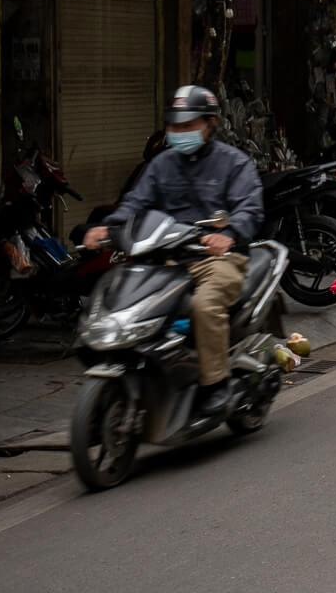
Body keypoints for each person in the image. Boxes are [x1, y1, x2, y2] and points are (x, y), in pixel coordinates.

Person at [84, 85, 263, 417]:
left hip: (215, 260)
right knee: (117, 296)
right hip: (165, 260)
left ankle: (216, 383)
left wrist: (230, 234)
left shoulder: (234, 163)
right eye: (174, 126)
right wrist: (108, 228)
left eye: (188, 126)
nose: (179, 133)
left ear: (210, 124)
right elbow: (136, 203)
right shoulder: (161, 164)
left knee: (204, 306)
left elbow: (249, 210)